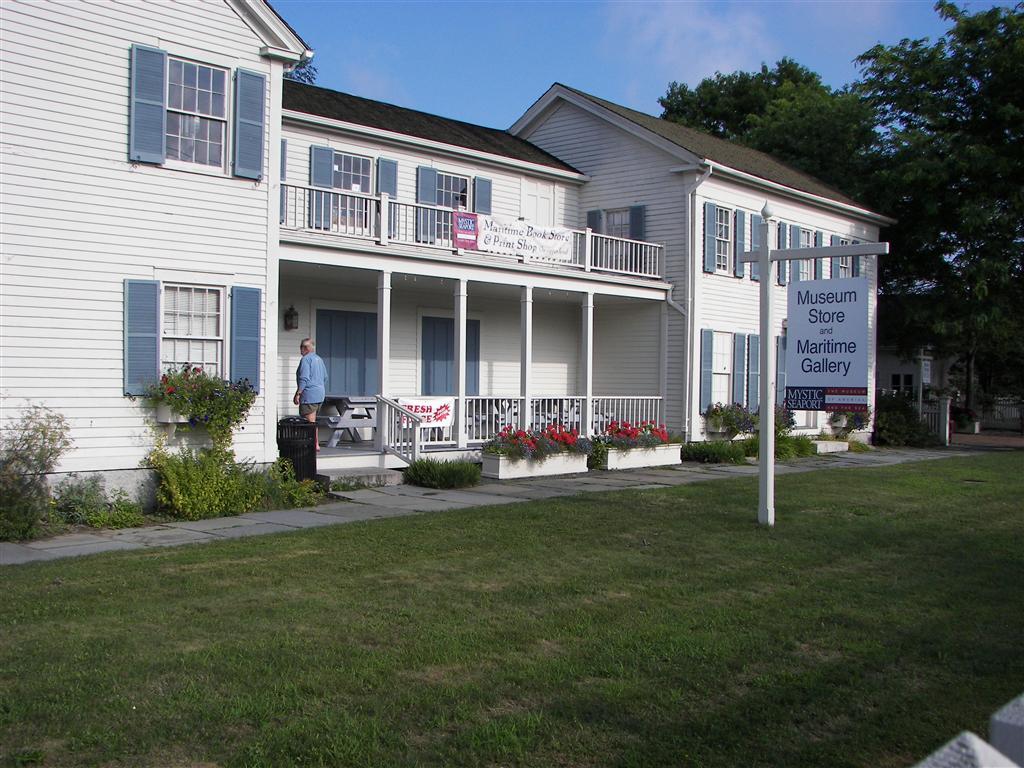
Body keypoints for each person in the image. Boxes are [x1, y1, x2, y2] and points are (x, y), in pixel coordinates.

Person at [293, 338, 327, 450]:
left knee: (309, 422)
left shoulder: (306, 360)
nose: (301, 349)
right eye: (301, 347)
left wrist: (298, 393)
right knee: (312, 420)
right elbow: (325, 377)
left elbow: (304, 378)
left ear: (308, 348)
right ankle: (314, 443)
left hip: (309, 395)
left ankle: (314, 444)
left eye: (303, 347)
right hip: (320, 395)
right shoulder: (319, 359)